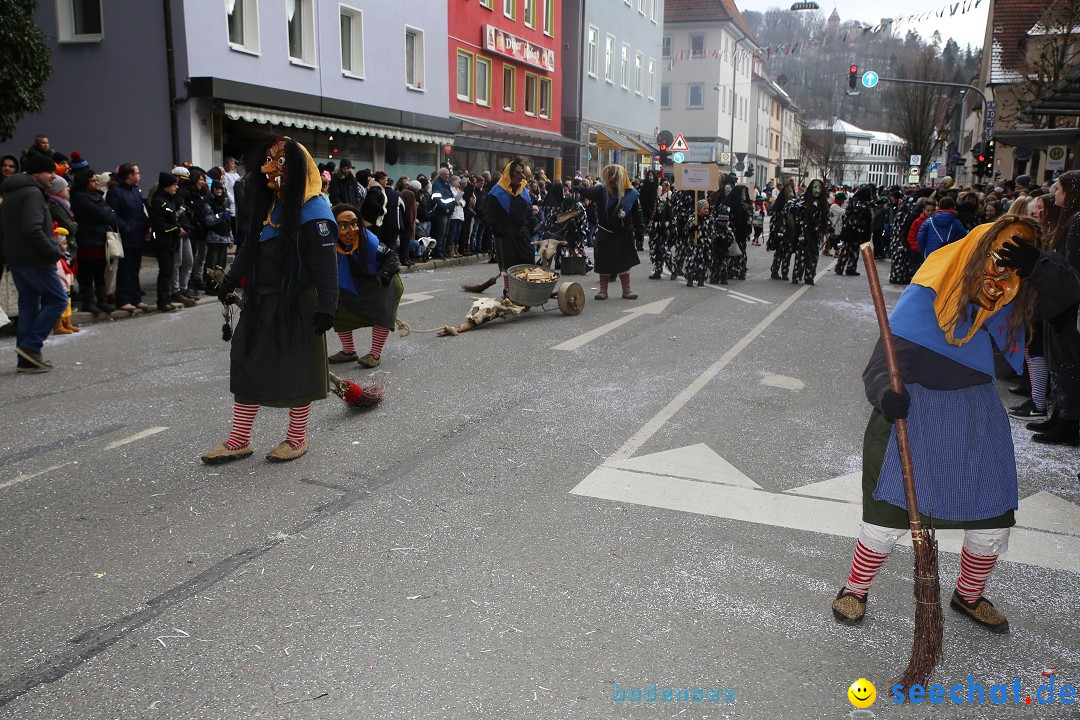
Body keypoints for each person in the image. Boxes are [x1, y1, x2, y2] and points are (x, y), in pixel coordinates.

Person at [831, 216, 1080, 632]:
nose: (999, 279)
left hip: (976, 422)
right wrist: (886, 396)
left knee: (991, 517)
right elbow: (881, 365)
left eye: (1011, 268)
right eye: (994, 263)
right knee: (887, 517)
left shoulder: (1005, 307)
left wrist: (1037, 265)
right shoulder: (926, 300)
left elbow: (1069, 293)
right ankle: (855, 589)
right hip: (917, 419)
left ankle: (968, 594)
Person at [202, 136, 339, 465]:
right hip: (260, 302)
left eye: (279, 162)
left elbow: (325, 267)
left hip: (297, 303)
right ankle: (239, 440)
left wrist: (327, 306)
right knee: (247, 363)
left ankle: (296, 439)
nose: (268, 168)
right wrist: (232, 280)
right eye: (267, 160)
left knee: (296, 370)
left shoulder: (315, 210)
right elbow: (249, 247)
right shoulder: (269, 204)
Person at [0, 154, 67, 372]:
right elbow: (32, 228)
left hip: (18, 258)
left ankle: (26, 361)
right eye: (50, 172)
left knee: (28, 307)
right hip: (36, 259)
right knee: (58, 299)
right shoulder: (32, 193)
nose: (53, 177)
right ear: (36, 173)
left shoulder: (13, 191)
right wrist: (53, 251)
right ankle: (31, 347)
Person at [1028, 170, 1080, 445]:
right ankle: (1059, 415)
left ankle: (1068, 422)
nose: (1054, 192)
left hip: (1067, 308)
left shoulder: (1076, 221)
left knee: (1067, 363)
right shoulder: (1069, 220)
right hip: (1060, 305)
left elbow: (1071, 271)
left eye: (1059, 188)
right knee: (1058, 363)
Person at [328, 194, 403, 369]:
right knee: (338, 308)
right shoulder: (329, 242)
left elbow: (391, 256)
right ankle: (348, 351)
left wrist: (385, 275)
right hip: (352, 284)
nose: (352, 230)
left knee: (382, 309)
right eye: (344, 226)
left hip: (381, 281)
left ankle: (374, 353)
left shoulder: (368, 239)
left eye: (354, 224)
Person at [577, 164, 643, 300]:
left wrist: (639, 233)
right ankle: (603, 290)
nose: (612, 179)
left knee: (624, 264)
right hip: (605, 234)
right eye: (610, 176)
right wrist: (579, 188)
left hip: (623, 235)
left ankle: (627, 290)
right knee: (603, 263)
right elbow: (588, 191)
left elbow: (638, 216)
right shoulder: (602, 191)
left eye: (615, 176)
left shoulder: (632, 194)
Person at [483, 159, 535, 298]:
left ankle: (524, 291)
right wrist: (498, 229)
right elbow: (489, 214)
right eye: (517, 172)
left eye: (522, 172)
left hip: (521, 233)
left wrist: (532, 223)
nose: (521, 176)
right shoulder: (497, 191)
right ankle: (509, 291)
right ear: (509, 174)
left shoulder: (523, 190)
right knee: (509, 265)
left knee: (526, 260)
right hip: (505, 235)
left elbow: (529, 210)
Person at [70, 168, 118, 314]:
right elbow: (102, 214)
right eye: (92, 180)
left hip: (100, 238)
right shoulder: (80, 198)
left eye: (97, 180)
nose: (96, 182)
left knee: (100, 272)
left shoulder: (97, 195)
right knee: (87, 273)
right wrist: (107, 214)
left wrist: (107, 214)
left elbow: (110, 214)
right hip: (88, 239)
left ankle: (102, 300)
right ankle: (89, 301)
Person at [106, 163, 151, 312]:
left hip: (138, 234)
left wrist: (146, 224)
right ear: (129, 175)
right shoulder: (115, 192)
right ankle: (123, 299)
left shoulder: (135, 191)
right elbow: (113, 214)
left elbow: (140, 211)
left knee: (135, 268)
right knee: (125, 268)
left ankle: (136, 298)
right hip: (126, 235)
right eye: (137, 173)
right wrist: (127, 228)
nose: (139, 175)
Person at [148, 172, 186, 313]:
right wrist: (176, 230)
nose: (176, 187)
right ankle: (163, 301)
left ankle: (168, 298)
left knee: (169, 271)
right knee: (165, 271)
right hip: (163, 242)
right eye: (174, 184)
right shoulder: (159, 201)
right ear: (166, 186)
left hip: (171, 242)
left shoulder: (171, 199)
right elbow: (159, 225)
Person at [789, 179, 830, 286]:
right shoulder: (802, 201)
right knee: (800, 255)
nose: (817, 190)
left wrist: (829, 228)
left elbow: (826, 219)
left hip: (815, 236)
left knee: (813, 255)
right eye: (815, 187)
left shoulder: (823, 204)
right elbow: (791, 208)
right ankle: (797, 276)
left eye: (820, 188)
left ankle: (809, 277)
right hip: (803, 234)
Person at [835, 185, 873, 276]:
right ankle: (849, 267)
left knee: (847, 249)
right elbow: (866, 218)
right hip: (856, 230)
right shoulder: (862, 204)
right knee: (852, 249)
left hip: (850, 229)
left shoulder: (854, 201)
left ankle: (842, 267)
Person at [769, 182, 795, 279]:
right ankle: (775, 271)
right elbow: (774, 219)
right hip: (780, 232)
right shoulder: (779, 205)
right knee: (779, 252)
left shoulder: (793, 204)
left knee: (787, 253)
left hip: (790, 232)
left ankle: (785, 272)